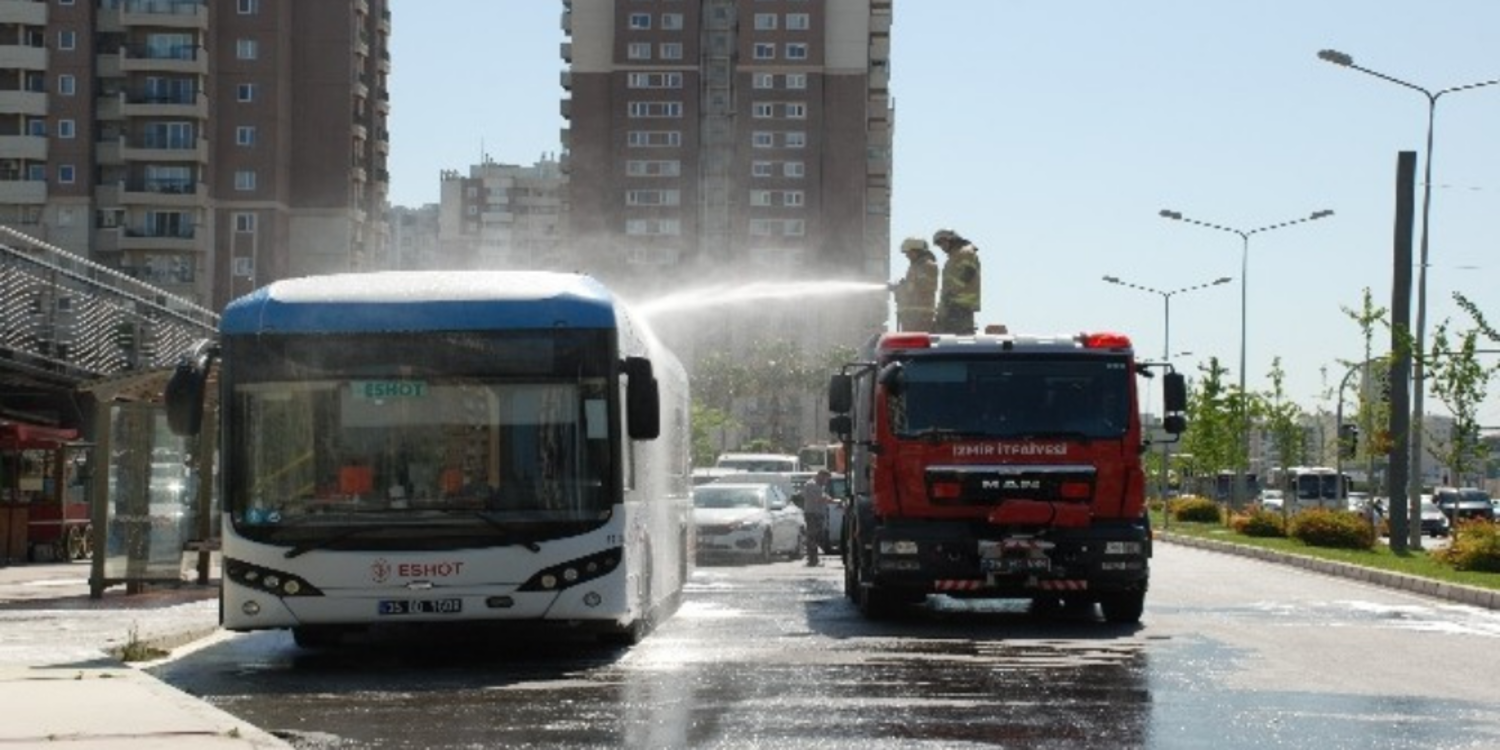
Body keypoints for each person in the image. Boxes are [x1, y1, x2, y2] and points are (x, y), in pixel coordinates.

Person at [932, 228, 981, 335]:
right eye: (939, 244)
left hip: (960, 304)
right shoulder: (955, 255)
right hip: (952, 304)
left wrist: (952, 292)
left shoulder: (965, 252)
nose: (942, 247)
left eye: (943, 242)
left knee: (958, 339)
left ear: (952, 240)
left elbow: (968, 273)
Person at [888, 237, 938, 332]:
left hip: (920, 314)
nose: (907, 255)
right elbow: (913, 285)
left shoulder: (927, 265)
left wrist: (898, 287)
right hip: (913, 314)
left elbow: (920, 288)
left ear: (917, 251)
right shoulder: (916, 266)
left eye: (908, 252)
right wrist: (900, 286)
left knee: (916, 344)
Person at [800, 469, 832, 566]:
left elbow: (823, 496)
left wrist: (828, 498)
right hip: (813, 514)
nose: (826, 481)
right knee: (813, 536)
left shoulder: (818, 485)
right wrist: (834, 501)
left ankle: (814, 559)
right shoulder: (812, 485)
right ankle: (812, 559)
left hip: (817, 513)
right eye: (826, 478)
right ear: (821, 476)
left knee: (816, 536)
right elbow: (820, 498)